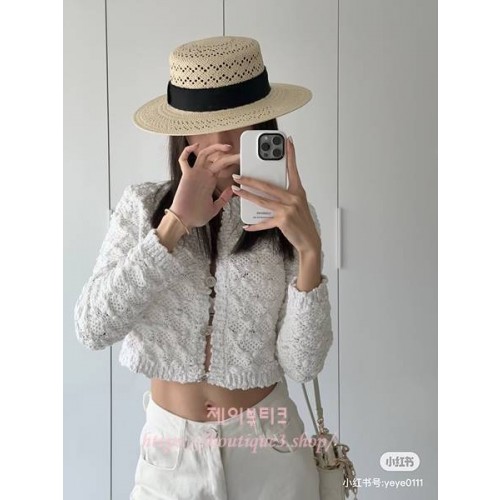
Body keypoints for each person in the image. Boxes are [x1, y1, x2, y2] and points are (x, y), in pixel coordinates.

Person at [74, 35, 334, 500]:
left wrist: (310, 253)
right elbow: (93, 328)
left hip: (271, 454)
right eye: (203, 126)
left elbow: (303, 363)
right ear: (182, 132)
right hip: (170, 458)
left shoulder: (290, 217)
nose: (220, 143)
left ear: (261, 123)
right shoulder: (142, 207)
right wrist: (174, 224)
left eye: (236, 123)